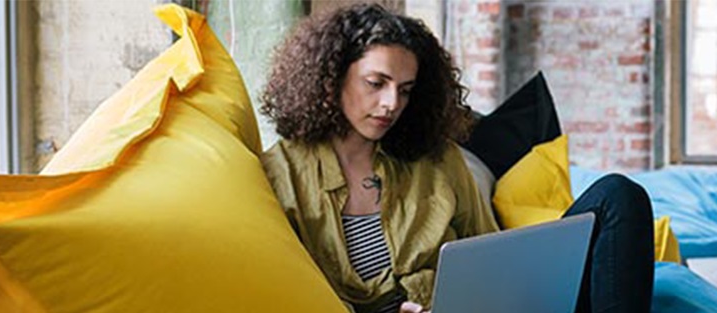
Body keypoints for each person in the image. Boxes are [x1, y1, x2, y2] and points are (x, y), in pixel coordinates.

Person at [258, 4, 654, 313]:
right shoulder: (281, 174)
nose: (391, 103)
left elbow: (494, 255)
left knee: (617, 195)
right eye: (376, 83)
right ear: (332, 77)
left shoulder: (437, 158)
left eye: (406, 90)